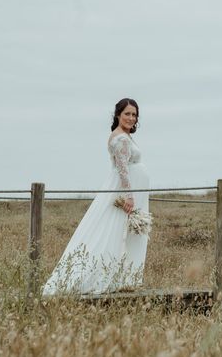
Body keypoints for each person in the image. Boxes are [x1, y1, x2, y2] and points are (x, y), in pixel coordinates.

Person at [42, 98, 150, 295]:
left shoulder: (123, 136)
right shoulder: (121, 139)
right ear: (118, 115)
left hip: (135, 191)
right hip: (127, 192)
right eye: (127, 113)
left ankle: (125, 276)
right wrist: (129, 196)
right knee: (114, 231)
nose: (131, 118)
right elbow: (123, 169)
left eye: (134, 115)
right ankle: (107, 276)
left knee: (127, 232)